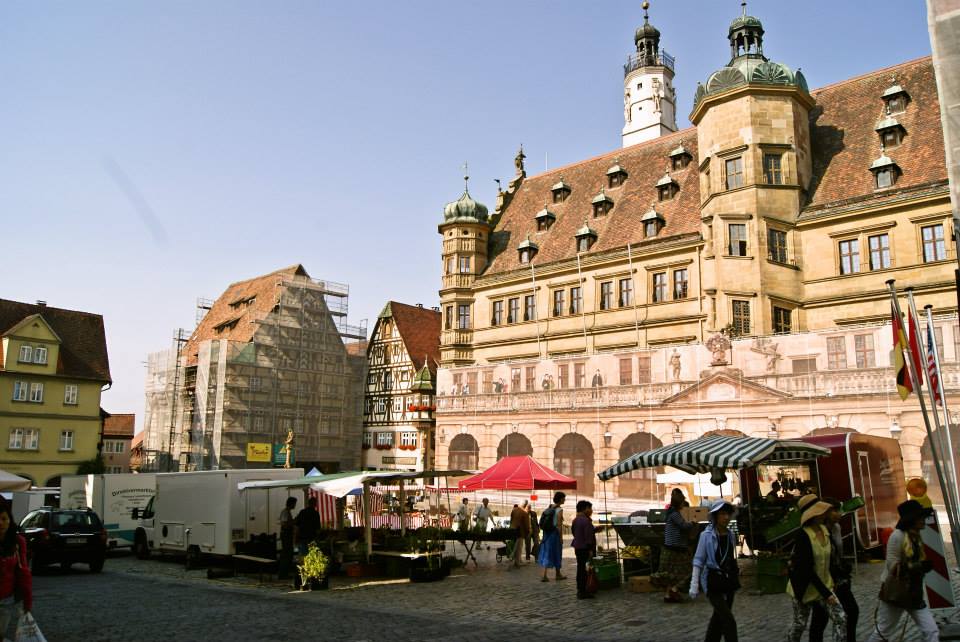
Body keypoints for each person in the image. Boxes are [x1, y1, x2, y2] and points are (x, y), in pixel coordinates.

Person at [866, 500, 939, 642]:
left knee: (931, 630)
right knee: (884, 632)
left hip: (913, 591)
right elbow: (891, 565)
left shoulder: (915, 536)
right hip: (896, 592)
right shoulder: (897, 536)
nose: (924, 520)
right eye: (921, 518)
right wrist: (916, 567)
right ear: (912, 520)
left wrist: (921, 566)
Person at [785, 501, 847, 642]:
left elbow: (830, 559)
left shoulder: (825, 530)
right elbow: (806, 569)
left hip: (825, 585)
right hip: (805, 587)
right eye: (820, 511)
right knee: (799, 625)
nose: (824, 514)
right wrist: (826, 594)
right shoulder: (803, 535)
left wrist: (835, 579)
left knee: (841, 618)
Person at [809, 498, 859, 642]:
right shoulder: (818, 531)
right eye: (834, 511)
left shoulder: (837, 528)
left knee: (851, 611)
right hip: (824, 579)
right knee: (821, 619)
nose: (839, 514)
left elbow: (838, 552)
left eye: (839, 510)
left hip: (839, 578)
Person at [690, 501, 740, 642]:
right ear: (715, 516)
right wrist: (694, 585)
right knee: (729, 620)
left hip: (728, 582)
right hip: (713, 582)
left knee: (718, 620)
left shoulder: (730, 535)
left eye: (727, 514)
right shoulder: (706, 536)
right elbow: (698, 560)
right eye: (722, 514)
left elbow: (730, 557)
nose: (726, 517)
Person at [662, 488, 698, 603]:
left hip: (671, 546)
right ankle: (674, 589)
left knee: (671, 573)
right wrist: (693, 521)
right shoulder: (675, 514)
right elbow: (684, 526)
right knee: (687, 569)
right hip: (676, 547)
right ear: (680, 503)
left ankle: (668, 595)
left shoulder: (671, 512)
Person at [0, 501, 30, 638]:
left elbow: (23, 570)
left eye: (4, 519)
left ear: (9, 520)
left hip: (5, 599)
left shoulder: (17, 542)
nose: (0, 523)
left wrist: (27, 598)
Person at [572, 500, 601, 599]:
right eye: (590, 508)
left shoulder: (576, 520)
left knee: (580, 569)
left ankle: (580, 589)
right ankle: (584, 590)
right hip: (585, 548)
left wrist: (594, 530)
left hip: (578, 547)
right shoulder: (586, 520)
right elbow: (588, 537)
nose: (591, 510)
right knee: (585, 569)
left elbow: (575, 532)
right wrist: (590, 550)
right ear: (585, 509)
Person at [538, 491, 566, 582]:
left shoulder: (550, 507)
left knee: (546, 552)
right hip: (555, 534)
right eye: (564, 498)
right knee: (557, 552)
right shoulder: (559, 510)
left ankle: (544, 575)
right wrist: (561, 537)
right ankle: (558, 574)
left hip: (547, 534)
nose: (564, 500)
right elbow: (559, 525)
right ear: (561, 499)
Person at [278, 496, 297, 579]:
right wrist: (292, 523)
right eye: (294, 503)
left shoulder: (287, 512)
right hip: (286, 535)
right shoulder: (285, 512)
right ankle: (283, 573)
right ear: (291, 503)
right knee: (286, 554)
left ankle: (285, 573)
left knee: (288, 554)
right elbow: (284, 524)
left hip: (287, 535)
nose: (295, 505)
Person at [509, 502, 530, 568]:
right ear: (525, 505)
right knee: (519, 548)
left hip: (513, 530)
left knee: (515, 546)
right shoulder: (524, 513)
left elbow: (511, 519)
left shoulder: (514, 510)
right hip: (520, 532)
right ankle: (517, 562)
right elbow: (527, 525)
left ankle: (517, 560)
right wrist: (528, 532)